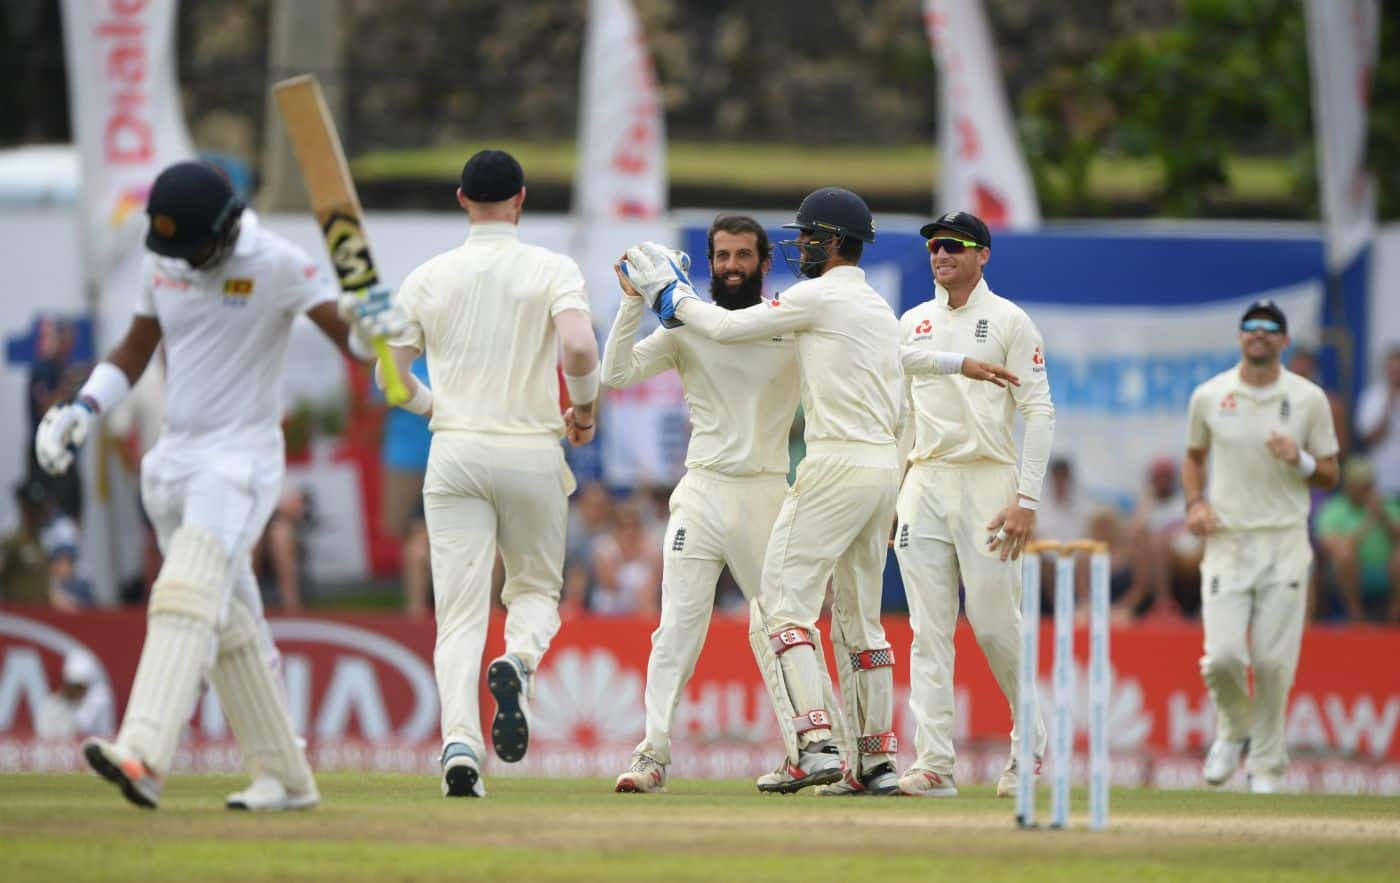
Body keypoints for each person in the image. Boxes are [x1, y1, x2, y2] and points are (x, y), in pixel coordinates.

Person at [621, 190, 1015, 795]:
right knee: (861, 621)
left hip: (833, 465)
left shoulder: (814, 296)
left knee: (780, 606)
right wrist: (957, 362)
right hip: (884, 468)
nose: (800, 246)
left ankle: (814, 745)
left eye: (807, 237)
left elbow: (724, 326)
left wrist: (667, 293)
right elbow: (904, 357)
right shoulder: (875, 307)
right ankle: (875, 760)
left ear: (832, 241)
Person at [33, 160, 398, 811]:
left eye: (196, 249)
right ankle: (286, 776)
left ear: (228, 229)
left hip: (241, 464)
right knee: (232, 628)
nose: (185, 263)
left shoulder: (277, 261)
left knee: (185, 592)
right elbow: (136, 347)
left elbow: (354, 345)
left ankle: (142, 750)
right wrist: (82, 407)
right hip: (173, 464)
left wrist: (371, 326)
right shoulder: (166, 260)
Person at [380, 149, 599, 798]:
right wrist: (583, 409)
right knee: (533, 590)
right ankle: (520, 660)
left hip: (454, 453)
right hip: (531, 449)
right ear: (521, 199)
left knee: (459, 614)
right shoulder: (551, 268)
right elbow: (581, 347)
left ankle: (459, 748)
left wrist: (433, 406)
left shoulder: (426, 276)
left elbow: (390, 375)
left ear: (461, 199)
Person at [891, 211, 1053, 799]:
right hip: (925, 481)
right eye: (935, 246)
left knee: (991, 624)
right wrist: (894, 493)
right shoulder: (914, 322)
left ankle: (1030, 744)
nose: (941, 255)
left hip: (989, 481)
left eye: (954, 246)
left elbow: (1038, 412)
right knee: (927, 631)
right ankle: (934, 763)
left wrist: (1026, 500)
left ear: (982, 254)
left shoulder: (1010, 320)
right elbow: (904, 415)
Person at [1184, 299, 1340, 793]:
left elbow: (1332, 474)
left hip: (1285, 542)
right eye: (1251, 327)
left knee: (1274, 663)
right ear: (1239, 337)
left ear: (1284, 341)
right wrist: (1194, 503)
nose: (1259, 334)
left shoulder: (1308, 399)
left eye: (1270, 328)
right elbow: (1194, 457)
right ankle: (1233, 727)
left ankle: (1267, 768)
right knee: (1224, 657)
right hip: (1227, 542)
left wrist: (1303, 461)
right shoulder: (1210, 396)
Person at [1314, 457, 1400, 622]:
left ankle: (1395, 615)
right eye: (1362, 485)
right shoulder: (1333, 509)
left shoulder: (1388, 506)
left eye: (1369, 484)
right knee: (1345, 555)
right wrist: (1368, 521)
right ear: (1349, 486)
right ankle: (1356, 614)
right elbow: (1333, 546)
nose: (1367, 489)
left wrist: (1384, 518)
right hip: (1346, 573)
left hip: (1386, 569)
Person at [589, 499, 662, 616]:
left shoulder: (651, 545)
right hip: (613, 599)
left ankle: (646, 630)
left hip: (642, 600)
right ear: (615, 528)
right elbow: (608, 581)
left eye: (633, 525)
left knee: (649, 600)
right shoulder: (604, 545)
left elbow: (656, 580)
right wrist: (626, 556)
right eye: (623, 526)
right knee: (607, 598)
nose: (629, 531)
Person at [35, 649, 114, 740]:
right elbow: (46, 738)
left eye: (82, 687)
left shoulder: (97, 701)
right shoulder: (50, 706)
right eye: (74, 686)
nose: (77, 691)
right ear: (66, 683)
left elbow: (105, 737)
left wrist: (94, 707)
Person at [1357, 346, 1400, 500]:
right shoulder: (1372, 397)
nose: (1396, 373)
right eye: (1393, 369)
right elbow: (1367, 438)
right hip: (1382, 480)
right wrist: (1387, 411)